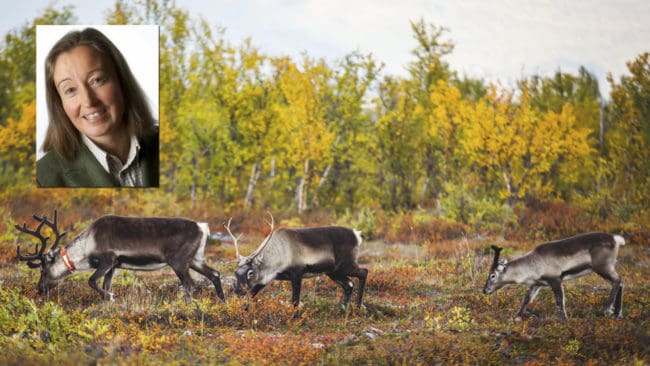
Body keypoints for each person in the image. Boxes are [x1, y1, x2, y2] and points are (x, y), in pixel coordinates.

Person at [36, 27, 158, 187]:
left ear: (121, 79)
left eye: (97, 80)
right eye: (70, 90)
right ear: (60, 103)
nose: (88, 101)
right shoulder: (43, 179)